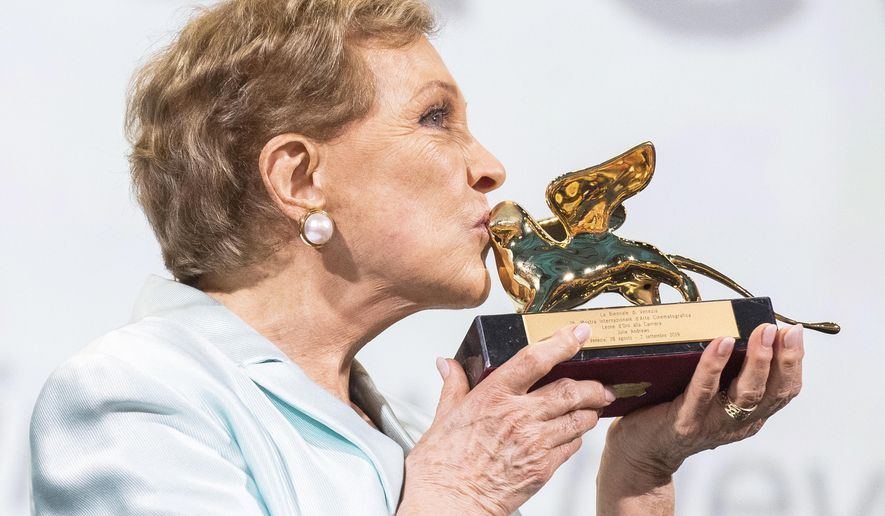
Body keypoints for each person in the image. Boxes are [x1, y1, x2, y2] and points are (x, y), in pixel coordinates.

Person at [29, 0, 805, 514]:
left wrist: (638, 477)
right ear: (299, 179)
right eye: (436, 118)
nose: (490, 168)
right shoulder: (135, 396)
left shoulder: (403, 435)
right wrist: (458, 499)